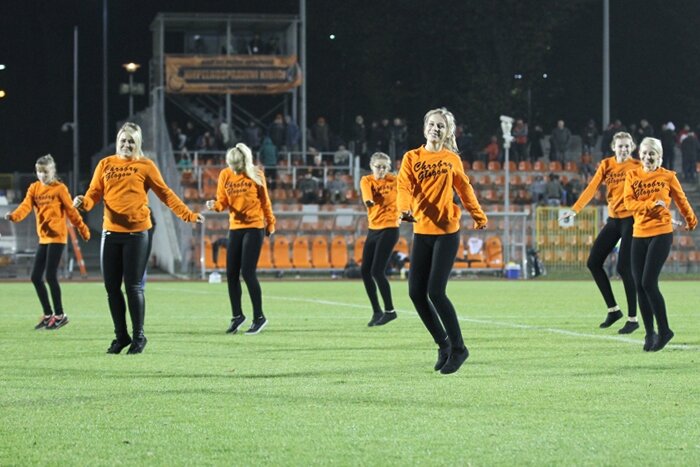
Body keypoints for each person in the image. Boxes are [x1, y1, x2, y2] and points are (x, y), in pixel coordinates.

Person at [74, 123, 204, 355]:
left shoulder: (146, 165)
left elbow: (166, 194)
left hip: (136, 234)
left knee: (133, 287)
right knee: (111, 288)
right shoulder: (105, 164)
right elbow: (94, 193)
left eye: (131, 141)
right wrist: (83, 203)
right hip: (110, 233)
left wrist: (188, 215)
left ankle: (139, 337)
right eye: (123, 140)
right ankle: (121, 336)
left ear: (138, 143)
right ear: (117, 142)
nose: (126, 144)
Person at [397, 108, 488, 375]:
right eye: (432, 124)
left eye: (441, 126)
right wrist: (404, 209)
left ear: (447, 132)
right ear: (424, 127)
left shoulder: (451, 159)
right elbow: (403, 186)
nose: (435, 129)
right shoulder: (411, 157)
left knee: (436, 291)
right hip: (422, 232)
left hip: (447, 232)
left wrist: (478, 215)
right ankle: (443, 345)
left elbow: (464, 189)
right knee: (416, 293)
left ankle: (459, 348)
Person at [560, 132, 641, 334]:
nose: (624, 149)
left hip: (631, 220)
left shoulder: (638, 166)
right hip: (613, 220)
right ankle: (613, 310)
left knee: (624, 268)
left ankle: (633, 319)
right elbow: (592, 188)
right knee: (593, 263)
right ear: (614, 147)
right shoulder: (606, 165)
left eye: (627, 146)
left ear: (632, 147)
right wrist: (575, 210)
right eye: (620, 146)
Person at [623, 137, 697, 352]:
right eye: (645, 153)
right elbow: (628, 202)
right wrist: (649, 204)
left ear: (660, 157)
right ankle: (650, 333)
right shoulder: (632, 175)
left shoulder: (668, 176)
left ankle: (664, 330)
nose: (648, 157)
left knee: (648, 282)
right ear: (640, 155)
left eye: (652, 153)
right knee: (639, 285)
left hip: (661, 233)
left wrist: (691, 220)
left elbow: (681, 199)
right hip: (639, 233)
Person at [5, 154, 90, 330]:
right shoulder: (34, 188)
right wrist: (14, 216)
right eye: (39, 171)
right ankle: (48, 314)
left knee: (50, 276)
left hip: (58, 237)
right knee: (36, 277)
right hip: (44, 238)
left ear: (52, 171)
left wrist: (83, 229)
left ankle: (60, 315)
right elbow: (25, 206)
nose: (42, 175)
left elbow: (72, 212)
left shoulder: (60, 189)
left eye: (45, 172)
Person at [205, 143, 276, 335]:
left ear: (244, 161)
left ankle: (259, 317)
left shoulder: (257, 174)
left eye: (236, 165)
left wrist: (270, 223)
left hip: (254, 227)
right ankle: (237, 316)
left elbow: (265, 201)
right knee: (231, 274)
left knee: (248, 272)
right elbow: (222, 201)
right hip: (235, 228)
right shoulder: (225, 174)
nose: (234, 169)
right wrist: (214, 205)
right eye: (231, 165)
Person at [359, 152, 400, 327]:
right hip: (373, 229)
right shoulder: (366, 180)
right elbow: (367, 197)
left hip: (390, 228)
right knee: (365, 271)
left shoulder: (395, 181)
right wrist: (369, 201)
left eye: (384, 167)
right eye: (378, 167)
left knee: (377, 271)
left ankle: (390, 311)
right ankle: (377, 311)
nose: (381, 170)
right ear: (371, 166)